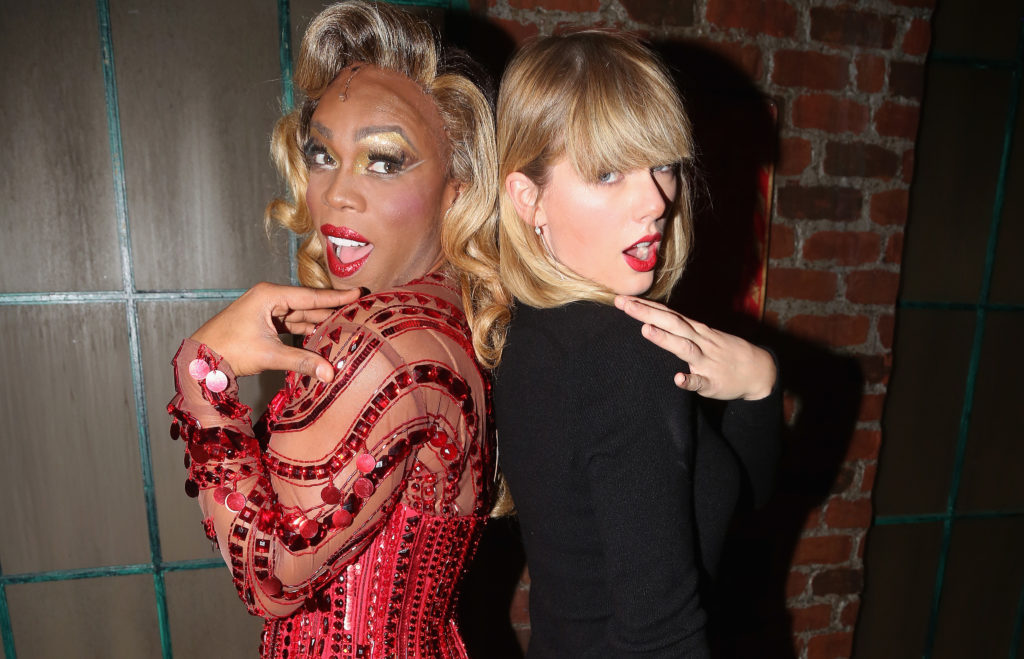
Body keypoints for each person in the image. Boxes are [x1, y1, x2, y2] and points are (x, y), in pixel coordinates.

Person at [167, 2, 498, 657]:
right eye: (322, 154)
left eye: (383, 160)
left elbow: (270, 576)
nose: (336, 194)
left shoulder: (385, 343)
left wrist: (201, 374)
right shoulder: (444, 317)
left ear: (457, 189)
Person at [464, 30, 782, 657]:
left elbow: (726, 514)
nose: (656, 200)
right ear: (529, 198)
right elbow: (663, 635)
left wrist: (757, 386)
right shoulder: (621, 355)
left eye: (661, 163)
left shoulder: (528, 331)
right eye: (607, 173)